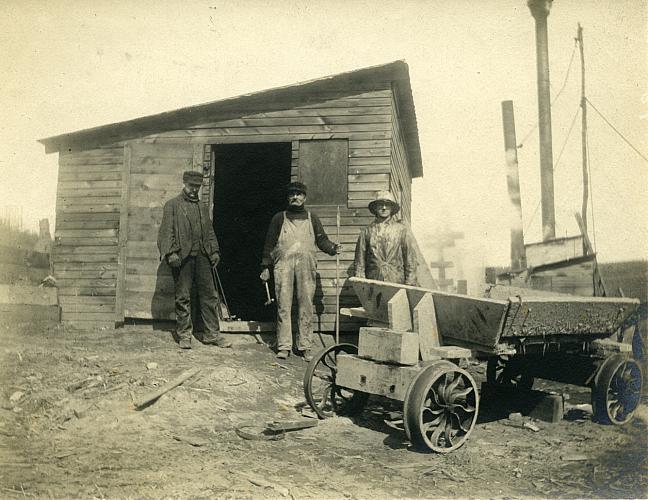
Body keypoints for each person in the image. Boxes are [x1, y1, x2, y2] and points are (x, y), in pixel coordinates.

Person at [260, 182, 340, 361]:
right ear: (288, 197)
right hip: (283, 266)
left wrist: (333, 248)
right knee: (283, 305)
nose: (295, 197)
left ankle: (305, 346)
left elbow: (322, 240)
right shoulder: (279, 218)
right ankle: (284, 346)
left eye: (299, 194)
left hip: (306, 267)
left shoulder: (313, 218)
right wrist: (265, 266)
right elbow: (269, 245)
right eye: (292, 194)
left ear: (305, 197)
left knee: (305, 305)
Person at [157, 170, 232, 350]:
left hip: (203, 257)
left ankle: (211, 335)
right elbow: (166, 232)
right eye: (191, 186)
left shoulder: (202, 207)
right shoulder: (172, 205)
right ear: (184, 184)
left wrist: (214, 251)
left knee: (209, 295)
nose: (194, 190)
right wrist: (171, 253)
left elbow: (209, 231)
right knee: (183, 296)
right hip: (182, 258)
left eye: (197, 187)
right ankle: (184, 335)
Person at [354, 190, 418, 286]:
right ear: (375, 208)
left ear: (392, 208)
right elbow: (360, 262)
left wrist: (409, 284)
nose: (384, 208)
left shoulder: (401, 230)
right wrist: (362, 285)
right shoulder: (366, 232)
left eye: (387, 205)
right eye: (380, 204)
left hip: (397, 282)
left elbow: (410, 259)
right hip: (373, 284)